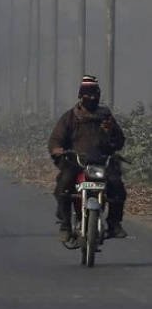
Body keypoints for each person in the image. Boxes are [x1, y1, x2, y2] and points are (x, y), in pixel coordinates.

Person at [48, 75, 127, 242]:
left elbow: (119, 140)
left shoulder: (106, 117)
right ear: (80, 96)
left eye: (94, 94)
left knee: (117, 186)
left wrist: (111, 132)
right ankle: (66, 225)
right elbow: (56, 139)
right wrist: (58, 150)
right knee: (63, 186)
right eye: (87, 95)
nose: (91, 98)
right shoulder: (70, 117)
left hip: (102, 162)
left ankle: (114, 223)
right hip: (76, 162)